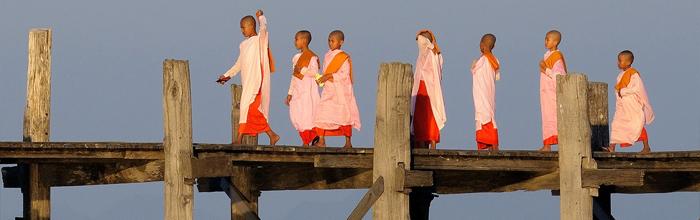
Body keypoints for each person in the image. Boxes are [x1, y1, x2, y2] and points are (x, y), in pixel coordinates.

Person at [216, 9, 280, 145]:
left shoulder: (259, 40)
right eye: (241, 28)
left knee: (246, 107)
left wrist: (261, 17)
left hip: (257, 81)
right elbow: (239, 64)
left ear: (251, 26)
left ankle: (239, 139)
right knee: (249, 109)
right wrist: (227, 76)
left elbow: (264, 28)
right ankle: (272, 134)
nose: (242, 31)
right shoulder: (243, 45)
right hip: (247, 82)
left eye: (243, 27)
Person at [312, 30, 361, 148]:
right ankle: (322, 140)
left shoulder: (343, 57)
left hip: (340, 91)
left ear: (341, 42)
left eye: (333, 41)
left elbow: (345, 75)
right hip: (329, 89)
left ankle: (348, 142)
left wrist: (329, 76)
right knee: (321, 114)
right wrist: (322, 78)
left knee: (345, 116)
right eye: (329, 40)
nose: (330, 43)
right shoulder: (327, 55)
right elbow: (325, 71)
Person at [605, 50, 654, 153]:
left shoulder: (634, 74)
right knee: (616, 124)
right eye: (618, 61)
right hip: (622, 106)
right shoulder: (620, 75)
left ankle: (646, 146)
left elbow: (637, 89)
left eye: (620, 61)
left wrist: (623, 91)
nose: (618, 63)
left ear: (628, 62)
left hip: (632, 105)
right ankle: (612, 147)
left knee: (636, 124)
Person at [285, 30, 321, 147]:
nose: (295, 42)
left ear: (304, 41)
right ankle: (309, 139)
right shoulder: (296, 57)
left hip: (308, 91)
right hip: (297, 91)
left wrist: (302, 70)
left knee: (307, 116)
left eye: (297, 39)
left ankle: (307, 141)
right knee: (296, 115)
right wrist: (290, 92)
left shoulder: (312, 57)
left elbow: (315, 73)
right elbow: (294, 76)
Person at [538, 30, 567, 152]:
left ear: (555, 42)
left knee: (555, 118)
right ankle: (547, 145)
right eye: (545, 39)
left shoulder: (556, 57)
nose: (545, 41)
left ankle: (563, 145)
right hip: (546, 93)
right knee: (547, 118)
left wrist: (546, 70)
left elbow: (560, 76)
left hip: (553, 93)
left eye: (548, 39)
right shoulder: (548, 55)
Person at [471, 33, 500, 151]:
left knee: (486, 117)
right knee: (487, 115)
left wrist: (473, 65)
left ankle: (494, 146)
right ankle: (489, 146)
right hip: (488, 93)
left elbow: (475, 70)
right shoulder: (494, 60)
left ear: (482, 45)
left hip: (483, 94)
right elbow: (497, 76)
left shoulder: (483, 60)